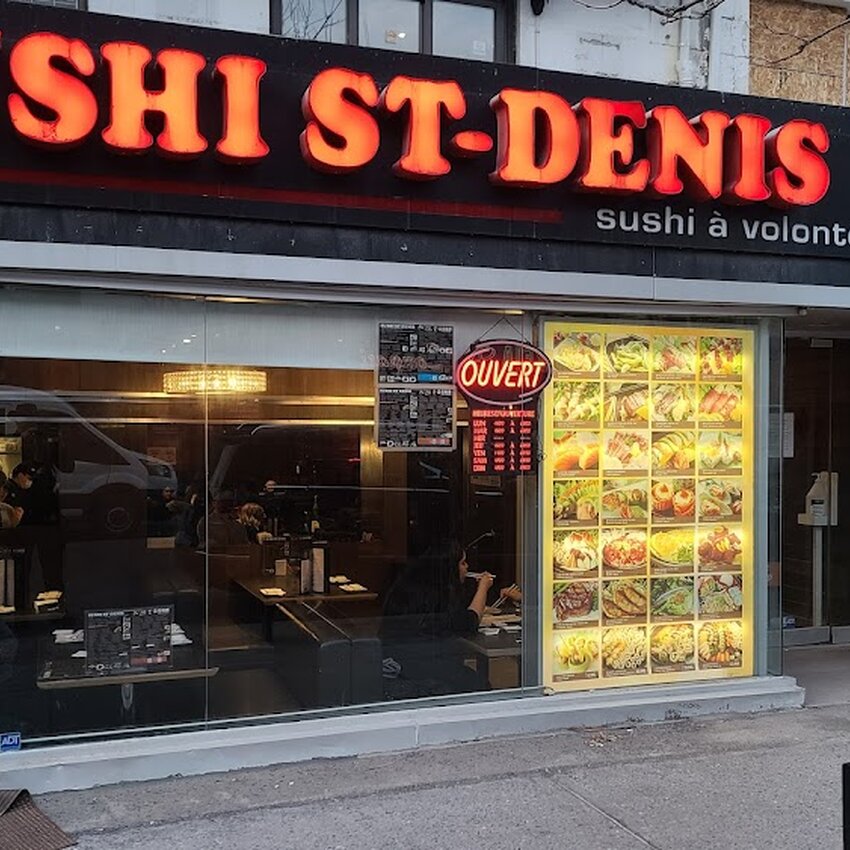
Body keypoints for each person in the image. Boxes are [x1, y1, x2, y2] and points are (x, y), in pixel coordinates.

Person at [381, 540, 493, 696]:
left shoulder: (413, 585)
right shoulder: (435, 595)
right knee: (478, 684)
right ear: (449, 568)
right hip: (420, 665)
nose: (467, 567)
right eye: (462, 563)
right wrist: (483, 588)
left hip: (398, 659)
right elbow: (469, 621)